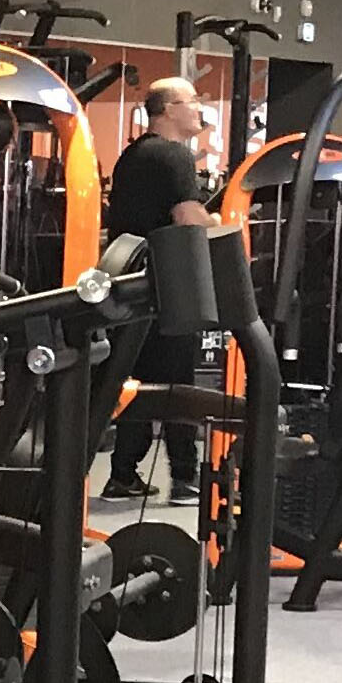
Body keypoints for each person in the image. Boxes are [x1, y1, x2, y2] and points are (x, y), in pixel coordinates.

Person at [102, 76, 218, 502]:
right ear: (169, 109)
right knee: (176, 384)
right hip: (168, 284)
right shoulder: (174, 155)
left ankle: (123, 474)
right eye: (192, 101)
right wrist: (221, 223)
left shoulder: (131, 156)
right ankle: (186, 478)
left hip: (130, 287)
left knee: (138, 379)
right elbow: (188, 219)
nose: (199, 108)